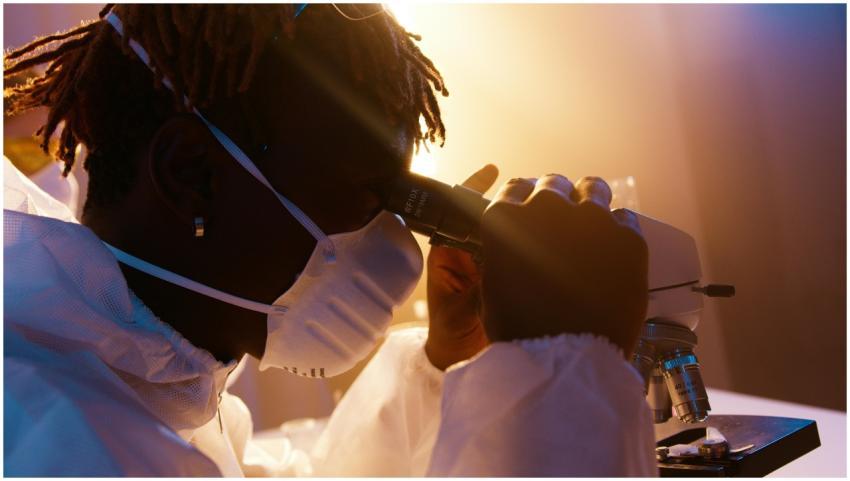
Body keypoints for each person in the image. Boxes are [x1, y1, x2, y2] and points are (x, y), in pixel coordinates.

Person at [4, 4, 655, 476]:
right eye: (370, 191)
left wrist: (441, 368)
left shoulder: (141, 382)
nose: (395, 240)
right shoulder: (56, 447)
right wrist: (565, 373)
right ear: (191, 174)